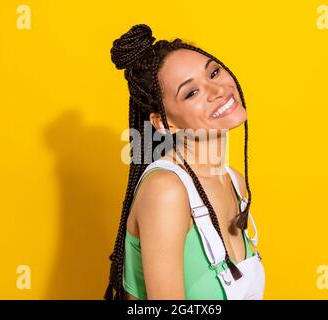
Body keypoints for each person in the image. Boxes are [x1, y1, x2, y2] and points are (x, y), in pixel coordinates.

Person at [105, 24, 265, 300]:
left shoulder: (235, 182)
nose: (217, 90)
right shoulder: (166, 192)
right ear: (164, 124)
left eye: (214, 72)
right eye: (191, 93)